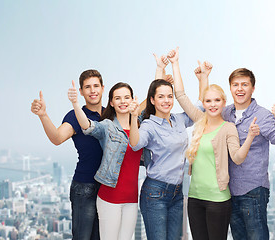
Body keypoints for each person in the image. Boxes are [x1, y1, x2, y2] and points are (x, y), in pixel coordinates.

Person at [168, 47, 259, 240]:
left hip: (218, 199)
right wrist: (175, 63)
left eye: (217, 100)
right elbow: (181, 95)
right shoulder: (199, 120)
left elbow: (238, 158)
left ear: (224, 102)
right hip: (194, 197)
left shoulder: (228, 128)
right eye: (208, 101)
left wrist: (250, 136)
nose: (212, 104)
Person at [197, 65, 275, 240]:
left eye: (244, 85)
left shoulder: (263, 115)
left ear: (253, 88)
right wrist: (204, 79)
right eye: (235, 85)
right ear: (230, 88)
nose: (239, 89)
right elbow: (206, 107)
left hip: (253, 190)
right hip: (229, 192)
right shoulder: (225, 113)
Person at [31, 69, 105, 240]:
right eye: (87, 87)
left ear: (102, 88)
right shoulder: (75, 116)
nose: (92, 90)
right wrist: (43, 115)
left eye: (96, 86)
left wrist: (160, 76)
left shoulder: (111, 113)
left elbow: (136, 111)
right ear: (80, 92)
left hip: (108, 188)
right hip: (85, 187)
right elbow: (57, 138)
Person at [67, 80, 143, 240]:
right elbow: (87, 126)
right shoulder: (107, 126)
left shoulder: (140, 126)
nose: (123, 101)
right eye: (118, 98)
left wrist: (161, 69)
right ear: (111, 102)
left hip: (132, 199)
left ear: (132, 100)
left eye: (126, 97)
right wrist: (75, 103)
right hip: (110, 197)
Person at [129, 55, 193, 240]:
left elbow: (200, 110)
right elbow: (135, 144)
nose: (166, 100)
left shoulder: (180, 120)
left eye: (169, 96)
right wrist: (134, 117)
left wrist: (176, 65)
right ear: (152, 100)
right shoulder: (149, 125)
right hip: (155, 193)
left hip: (177, 194)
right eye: (161, 97)